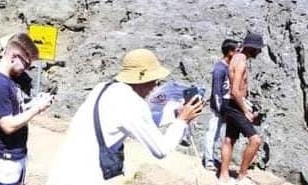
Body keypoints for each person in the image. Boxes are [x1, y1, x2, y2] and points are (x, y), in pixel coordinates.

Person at [45, 49, 205, 185]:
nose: (155, 86)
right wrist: (182, 121)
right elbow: (161, 150)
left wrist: (174, 115)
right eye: (155, 81)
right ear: (141, 78)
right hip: (86, 177)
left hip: (63, 173)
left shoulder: (103, 88)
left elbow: (140, 122)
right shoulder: (132, 103)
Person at [0, 32, 53, 185]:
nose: (26, 69)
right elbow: (8, 125)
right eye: (26, 64)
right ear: (14, 56)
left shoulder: (8, 80)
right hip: (4, 159)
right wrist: (37, 108)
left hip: (13, 155)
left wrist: (30, 105)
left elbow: (12, 108)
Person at [218, 32, 265, 185]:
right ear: (252, 48)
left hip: (230, 103)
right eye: (258, 49)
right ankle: (241, 175)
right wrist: (246, 110)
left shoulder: (237, 58)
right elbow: (235, 90)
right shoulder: (241, 61)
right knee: (255, 140)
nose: (260, 51)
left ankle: (223, 175)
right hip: (234, 104)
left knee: (229, 139)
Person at [201, 39, 238, 170]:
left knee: (219, 135)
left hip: (226, 107)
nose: (238, 53)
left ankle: (213, 157)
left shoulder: (229, 67)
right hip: (218, 108)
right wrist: (220, 108)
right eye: (236, 50)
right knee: (212, 133)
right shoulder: (219, 68)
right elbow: (217, 91)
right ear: (230, 52)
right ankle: (208, 160)